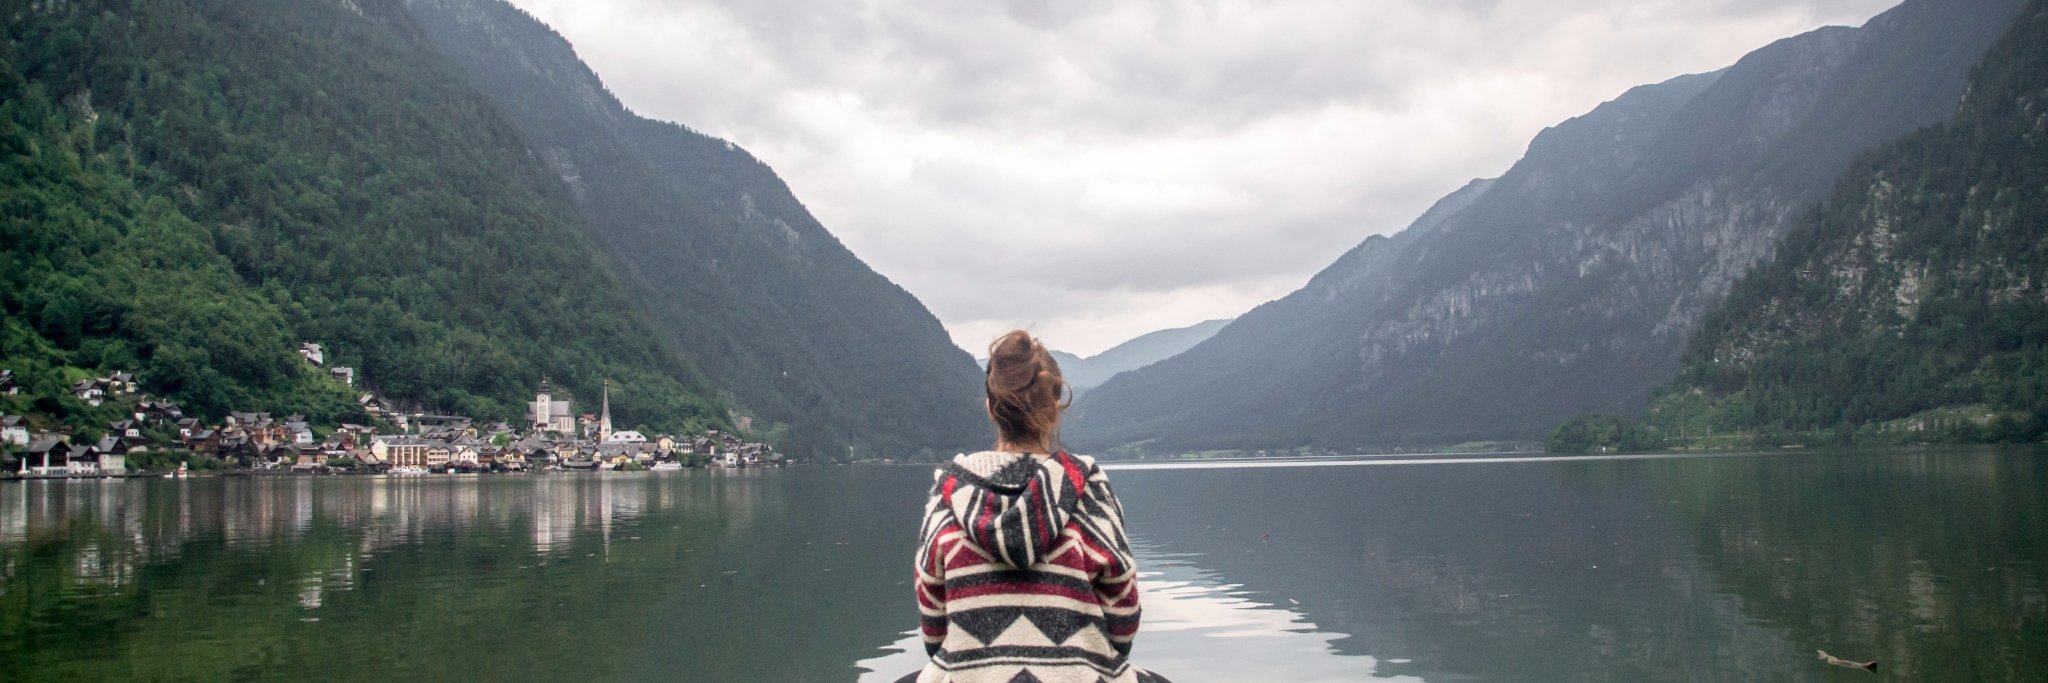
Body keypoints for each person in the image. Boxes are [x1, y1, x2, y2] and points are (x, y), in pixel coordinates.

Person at [903, 330, 1169, 683]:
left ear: (991, 407)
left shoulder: (949, 493)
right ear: (1055, 408)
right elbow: (1123, 619)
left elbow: (934, 628)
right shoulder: (1089, 489)